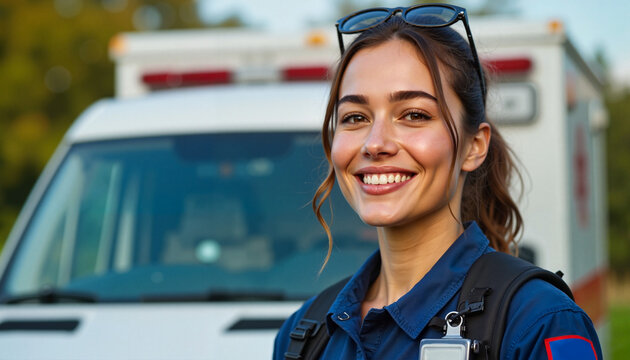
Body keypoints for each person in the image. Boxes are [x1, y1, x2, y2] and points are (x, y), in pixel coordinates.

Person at [274, 4, 602, 360]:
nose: (375, 143)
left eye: (414, 115)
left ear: (474, 146)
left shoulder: (537, 322)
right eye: (355, 117)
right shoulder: (302, 335)